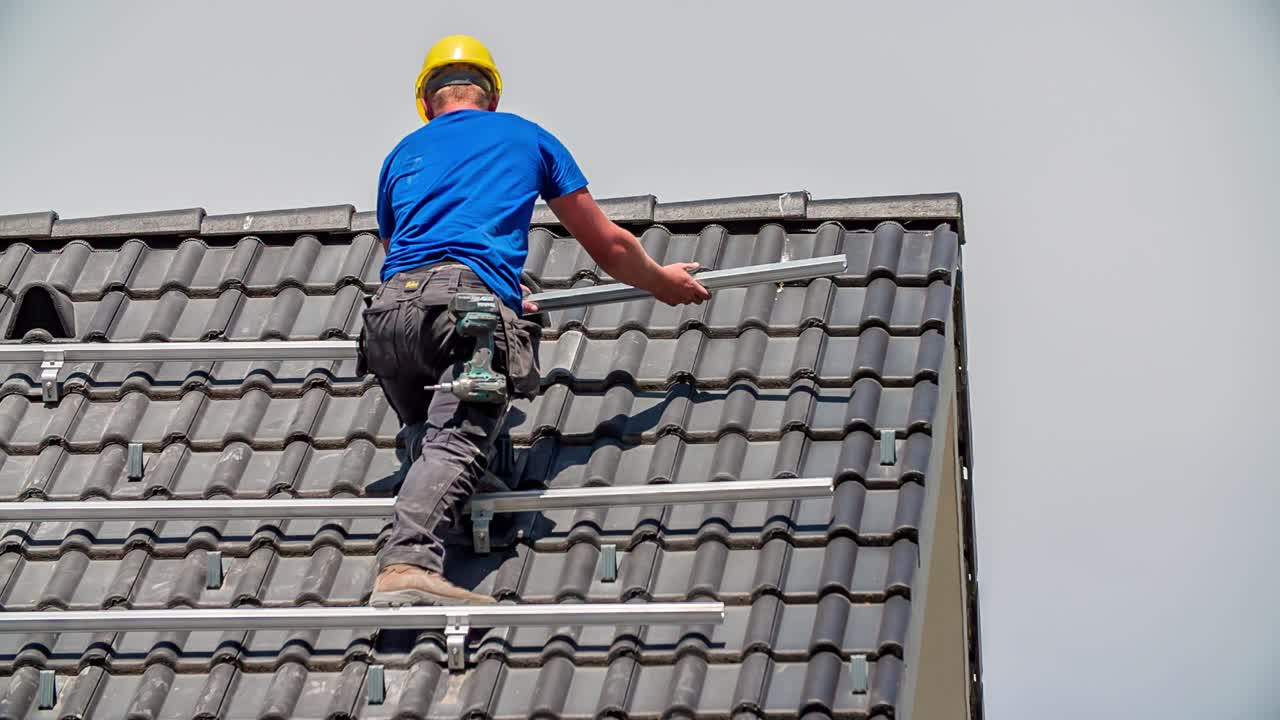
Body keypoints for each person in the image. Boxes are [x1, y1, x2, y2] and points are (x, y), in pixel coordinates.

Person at [364, 35, 710, 607]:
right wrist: (661, 282)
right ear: (492, 97)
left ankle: (457, 489)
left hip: (389, 318)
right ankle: (407, 562)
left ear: (425, 102)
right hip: (461, 312)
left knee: (428, 431)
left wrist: (500, 291)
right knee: (456, 440)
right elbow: (608, 245)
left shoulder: (402, 154)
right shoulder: (526, 137)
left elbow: (399, 251)